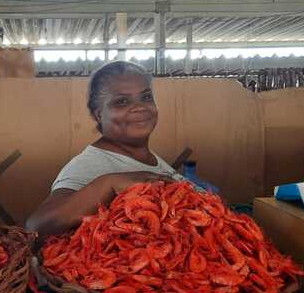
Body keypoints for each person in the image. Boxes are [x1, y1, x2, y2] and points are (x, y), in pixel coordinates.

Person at [26, 61, 188, 238]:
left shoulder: (149, 158)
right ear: (99, 115)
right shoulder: (89, 166)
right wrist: (108, 184)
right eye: (122, 101)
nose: (140, 107)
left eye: (146, 97)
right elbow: (36, 226)